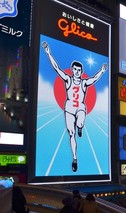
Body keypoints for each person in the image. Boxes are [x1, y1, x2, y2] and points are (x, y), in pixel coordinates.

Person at [42, 41, 108, 172]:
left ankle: (80, 127)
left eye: (79, 70)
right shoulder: (68, 79)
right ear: (72, 70)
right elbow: (57, 68)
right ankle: (75, 158)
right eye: (75, 69)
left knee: (81, 121)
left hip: (80, 108)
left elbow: (94, 78)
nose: (77, 72)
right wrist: (48, 53)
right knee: (71, 134)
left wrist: (102, 70)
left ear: (82, 71)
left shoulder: (84, 82)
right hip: (69, 109)